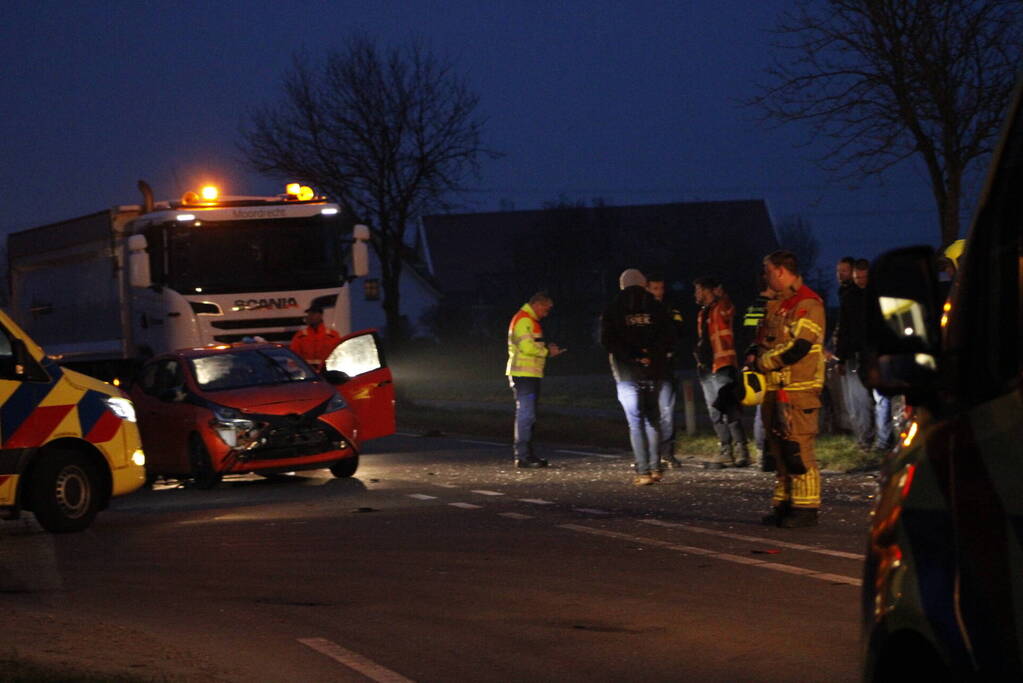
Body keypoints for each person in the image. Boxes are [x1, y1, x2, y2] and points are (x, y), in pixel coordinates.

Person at [753, 250, 826, 528]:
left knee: (798, 448)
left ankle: (806, 509)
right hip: (776, 389)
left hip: (798, 389)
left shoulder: (807, 303)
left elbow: (800, 346)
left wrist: (765, 361)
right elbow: (763, 336)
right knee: (779, 450)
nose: (765, 276)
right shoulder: (778, 303)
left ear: (781, 271)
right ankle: (785, 504)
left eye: (768, 271)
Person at [601, 269, 675, 485]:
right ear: (644, 284)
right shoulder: (656, 307)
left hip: (626, 373)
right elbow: (669, 337)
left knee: (635, 422)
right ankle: (655, 468)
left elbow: (608, 341)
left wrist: (633, 356)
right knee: (653, 419)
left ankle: (642, 472)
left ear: (622, 285)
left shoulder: (613, 309)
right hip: (654, 371)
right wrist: (651, 356)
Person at [693, 277, 749, 469]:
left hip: (724, 364)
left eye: (698, 290)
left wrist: (723, 295)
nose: (696, 295)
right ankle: (726, 449)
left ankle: (742, 449)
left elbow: (730, 309)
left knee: (730, 408)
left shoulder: (721, 307)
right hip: (707, 368)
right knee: (714, 411)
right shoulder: (702, 313)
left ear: (706, 290)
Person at [506, 292, 564, 468]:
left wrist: (546, 349)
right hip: (524, 376)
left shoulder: (528, 320)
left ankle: (526, 455)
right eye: (546, 309)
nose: (546, 313)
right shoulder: (525, 320)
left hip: (529, 375)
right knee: (526, 415)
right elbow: (526, 347)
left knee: (528, 416)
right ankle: (523, 456)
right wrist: (547, 352)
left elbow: (531, 345)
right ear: (538, 304)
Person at [831, 257, 874, 450]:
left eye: (845, 272)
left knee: (860, 398)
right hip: (855, 354)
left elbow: (847, 329)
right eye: (838, 272)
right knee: (858, 399)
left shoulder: (854, 296)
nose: (841, 276)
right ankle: (866, 437)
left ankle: (866, 438)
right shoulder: (848, 296)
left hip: (860, 354)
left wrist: (841, 355)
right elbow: (844, 329)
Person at [646, 273, 685, 469]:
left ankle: (667, 452)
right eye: (654, 289)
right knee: (649, 413)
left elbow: (679, 331)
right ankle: (650, 454)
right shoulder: (642, 312)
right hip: (647, 369)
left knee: (667, 411)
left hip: (667, 368)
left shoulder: (671, 309)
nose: (659, 293)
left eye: (661, 288)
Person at [853, 260, 893, 452]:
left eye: (864, 277)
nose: (861, 281)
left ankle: (884, 440)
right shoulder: (859, 297)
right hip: (871, 353)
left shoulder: (876, 298)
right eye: (857, 277)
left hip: (879, 353)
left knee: (883, 399)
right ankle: (883, 439)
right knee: (880, 399)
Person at [290, 306, 342, 372]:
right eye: (309, 314)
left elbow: (338, 355)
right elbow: (293, 357)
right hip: (307, 373)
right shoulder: (300, 336)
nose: (310, 316)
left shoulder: (332, 335)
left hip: (327, 373)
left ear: (321, 315)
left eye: (313, 314)